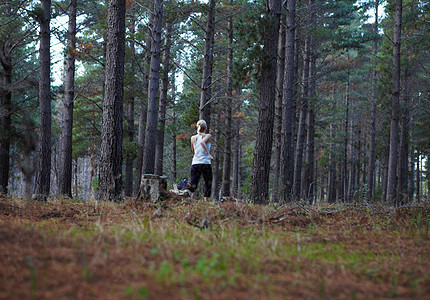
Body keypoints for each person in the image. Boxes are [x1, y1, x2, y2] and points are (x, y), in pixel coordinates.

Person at [186, 120, 213, 201]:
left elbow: (194, 151)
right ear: (206, 127)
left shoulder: (193, 138)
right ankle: (206, 203)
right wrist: (208, 154)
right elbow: (202, 142)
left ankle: (185, 185)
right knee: (208, 183)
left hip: (195, 163)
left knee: (193, 186)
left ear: (197, 127)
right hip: (205, 163)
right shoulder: (208, 136)